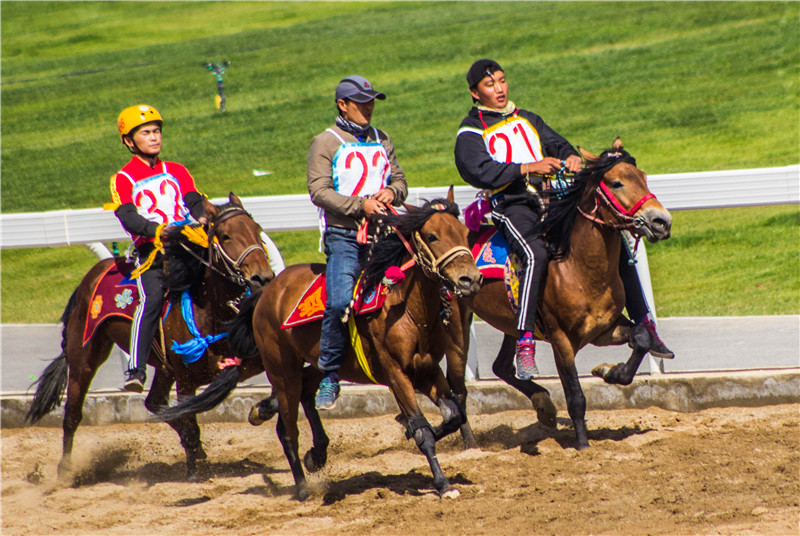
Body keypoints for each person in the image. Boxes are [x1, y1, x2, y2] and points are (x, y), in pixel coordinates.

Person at [454, 60, 672, 382]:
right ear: (475, 93)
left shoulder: (526, 118)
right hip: (511, 204)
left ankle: (645, 325)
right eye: (490, 85)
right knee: (535, 253)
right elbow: (477, 170)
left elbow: (556, 143)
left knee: (616, 237)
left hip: (549, 199)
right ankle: (525, 340)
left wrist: (569, 155)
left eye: (502, 81)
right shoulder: (471, 130)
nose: (499, 89)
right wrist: (527, 168)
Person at [307, 76, 408, 409]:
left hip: (384, 236)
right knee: (338, 303)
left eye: (372, 101)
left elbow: (400, 180)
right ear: (342, 105)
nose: (369, 107)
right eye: (361, 102)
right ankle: (330, 375)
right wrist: (360, 205)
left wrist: (392, 192)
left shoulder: (383, 139)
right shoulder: (325, 142)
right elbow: (319, 192)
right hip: (344, 237)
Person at [110, 104, 208, 392]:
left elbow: (194, 200)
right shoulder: (123, 178)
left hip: (189, 247)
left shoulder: (177, 170)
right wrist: (157, 231)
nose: (154, 138)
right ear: (129, 141)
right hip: (153, 254)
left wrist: (201, 216)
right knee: (152, 299)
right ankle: (136, 368)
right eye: (145, 133)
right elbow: (127, 216)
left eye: (156, 132)